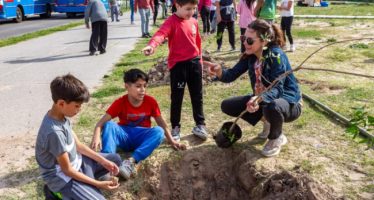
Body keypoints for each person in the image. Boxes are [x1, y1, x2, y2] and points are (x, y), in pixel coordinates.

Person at [204, 19, 302, 157]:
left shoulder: (276, 56)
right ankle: (269, 122)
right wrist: (219, 71)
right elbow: (231, 75)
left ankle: (276, 137)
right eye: (244, 38)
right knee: (227, 105)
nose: (245, 43)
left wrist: (259, 98)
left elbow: (277, 89)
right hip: (263, 100)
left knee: (272, 107)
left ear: (264, 41)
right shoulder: (250, 57)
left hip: (288, 103)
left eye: (250, 40)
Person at [35, 74, 122, 200]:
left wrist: (104, 161)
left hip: (77, 162)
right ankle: (55, 193)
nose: (79, 109)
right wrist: (98, 184)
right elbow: (67, 171)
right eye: (77, 106)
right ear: (61, 103)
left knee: (115, 160)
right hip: (63, 178)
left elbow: (78, 146)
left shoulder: (61, 116)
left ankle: (86, 185)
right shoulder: (54, 132)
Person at [91, 69, 186, 180]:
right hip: (124, 136)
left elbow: (162, 123)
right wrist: (96, 136)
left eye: (144, 86)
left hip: (141, 137)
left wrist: (172, 141)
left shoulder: (150, 102)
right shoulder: (120, 102)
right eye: (138, 86)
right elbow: (100, 123)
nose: (142, 90)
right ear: (127, 86)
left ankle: (130, 162)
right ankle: (107, 163)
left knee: (159, 131)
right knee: (109, 125)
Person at [141, 0, 208, 142]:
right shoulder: (171, 21)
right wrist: (152, 45)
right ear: (177, 5)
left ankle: (200, 125)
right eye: (188, 9)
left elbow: (198, 43)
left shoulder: (194, 21)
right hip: (178, 66)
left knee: (197, 95)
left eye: (194, 9)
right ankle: (175, 127)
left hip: (194, 63)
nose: (191, 12)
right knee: (177, 98)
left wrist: (200, 62)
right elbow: (161, 34)